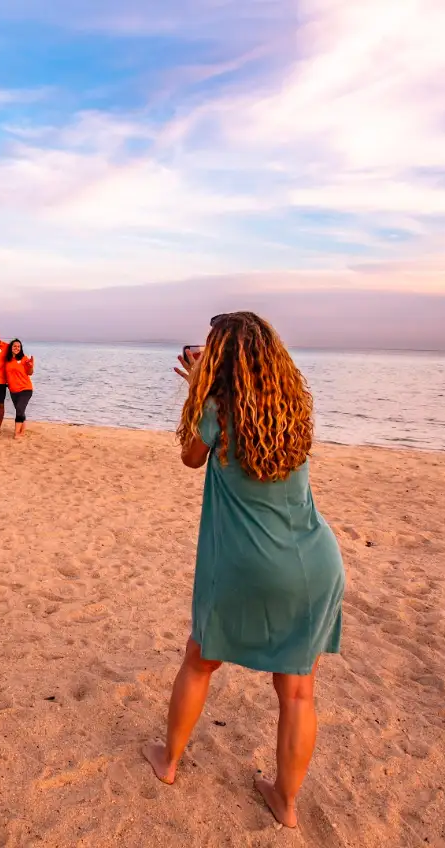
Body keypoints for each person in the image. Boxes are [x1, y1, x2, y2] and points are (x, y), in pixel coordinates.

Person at [143, 311, 345, 830]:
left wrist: (197, 392)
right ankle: (287, 802)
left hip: (246, 562)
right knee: (298, 690)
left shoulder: (216, 406)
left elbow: (192, 458)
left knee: (200, 659)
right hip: (314, 559)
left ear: (218, 358)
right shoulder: (293, 406)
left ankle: (168, 763)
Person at [3, 339, 35, 440]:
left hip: (25, 389)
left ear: (20, 348)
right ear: (11, 348)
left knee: (20, 410)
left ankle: (16, 433)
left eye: (18, 346)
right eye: (14, 346)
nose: (16, 348)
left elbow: (30, 372)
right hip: (13, 390)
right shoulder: (7, 360)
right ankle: (22, 430)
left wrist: (30, 366)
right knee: (20, 410)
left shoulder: (24, 359)